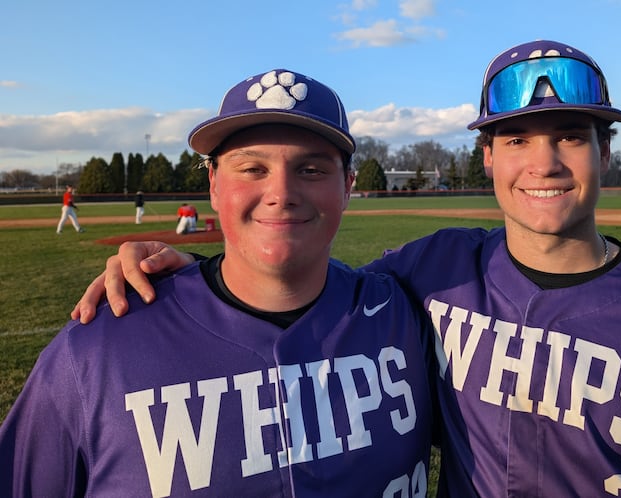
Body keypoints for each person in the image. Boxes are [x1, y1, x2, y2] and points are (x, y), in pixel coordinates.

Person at [72, 40, 621, 496]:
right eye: (515, 140)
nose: (543, 163)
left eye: (571, 138)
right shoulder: (437, 267)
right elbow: (306, 285)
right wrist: (190, 272)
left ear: (605, 154)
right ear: (487, 158)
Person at [0, 69, 436, 496]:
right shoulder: (94, 350)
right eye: (251, 168)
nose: (281, 192)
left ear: (347, 187)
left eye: (311, 170)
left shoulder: (405, 313)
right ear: (212, 184)